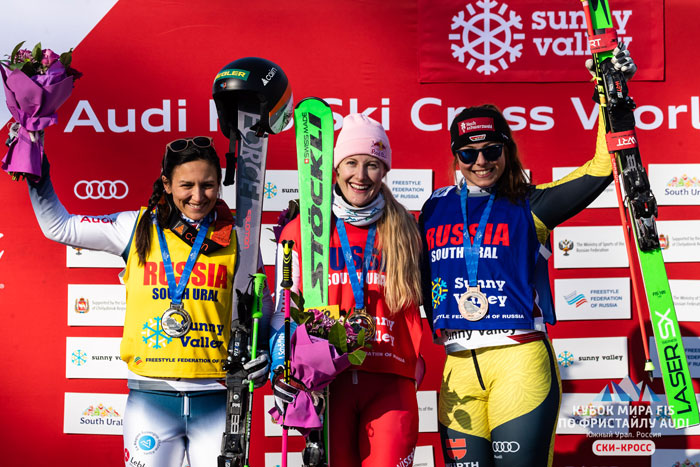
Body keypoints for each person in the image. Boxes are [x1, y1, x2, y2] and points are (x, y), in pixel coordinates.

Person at [419, 49, 637, 467]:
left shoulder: (530, 204)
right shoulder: (433, 208)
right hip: (457, 367)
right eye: (468, 153)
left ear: (507, 149)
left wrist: (609, 90)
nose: (481, 162)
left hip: (519, 361)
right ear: (455, 156)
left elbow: (601, 166)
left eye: (491, 150)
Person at [19, 131, 272, 467]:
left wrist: (263, 350)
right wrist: (36, 169)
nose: (198, 196)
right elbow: (60, 227)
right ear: (167, 184)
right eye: (186, 185)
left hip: (218, 397)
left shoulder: (239, 237)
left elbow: (262, 306)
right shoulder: (134, 226)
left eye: (208, 185)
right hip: (151, 400)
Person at [269, 114, 424, 466]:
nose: (361, 175)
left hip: (389, 377)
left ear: (384, 171)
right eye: (351, 163)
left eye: (372, 164)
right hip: (328, 382)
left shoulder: (407, 230)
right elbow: (283, 311)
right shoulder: (301, 231)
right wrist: (282, 367)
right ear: (336, 168)